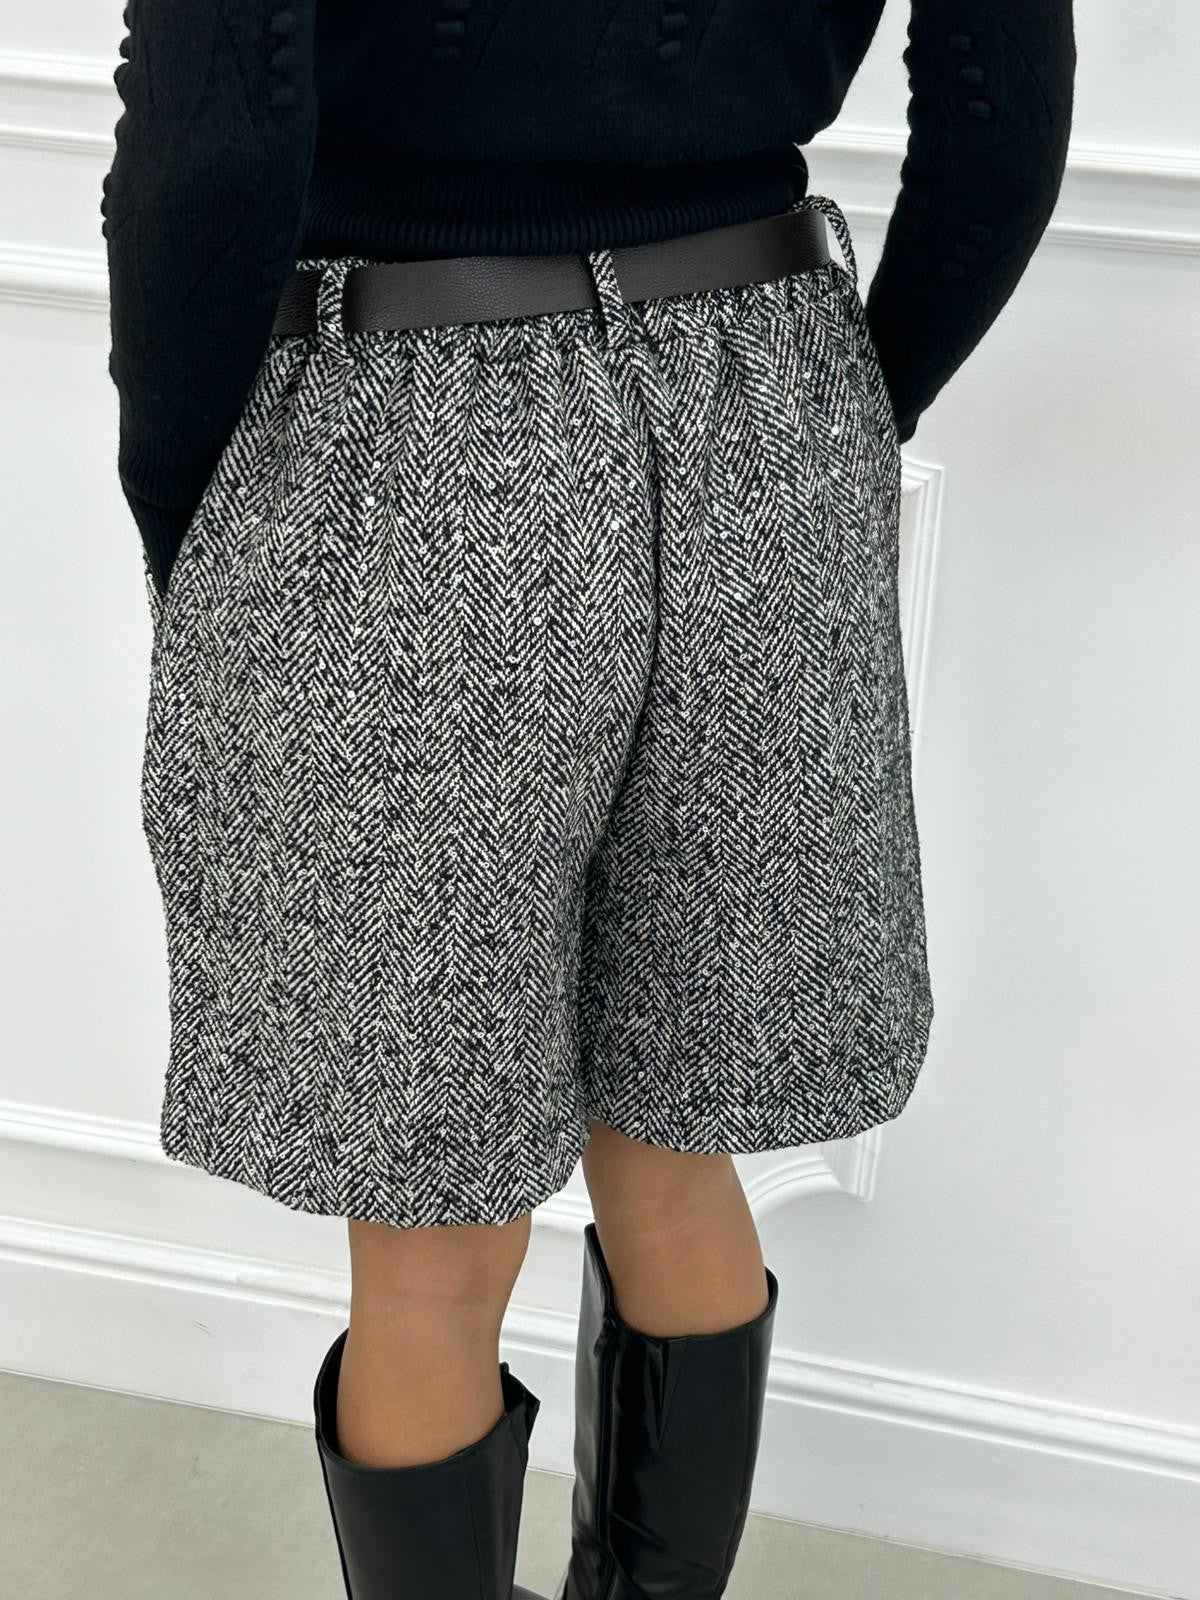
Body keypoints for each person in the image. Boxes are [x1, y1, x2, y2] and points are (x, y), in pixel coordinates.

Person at [102, 4, 1075, 1597]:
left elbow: (210, 147)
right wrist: (836, 423)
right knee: (676, 1143)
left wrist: (186, 505)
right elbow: (1004, 129)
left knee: (429, 1230)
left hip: (402, 420)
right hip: (768, 384)